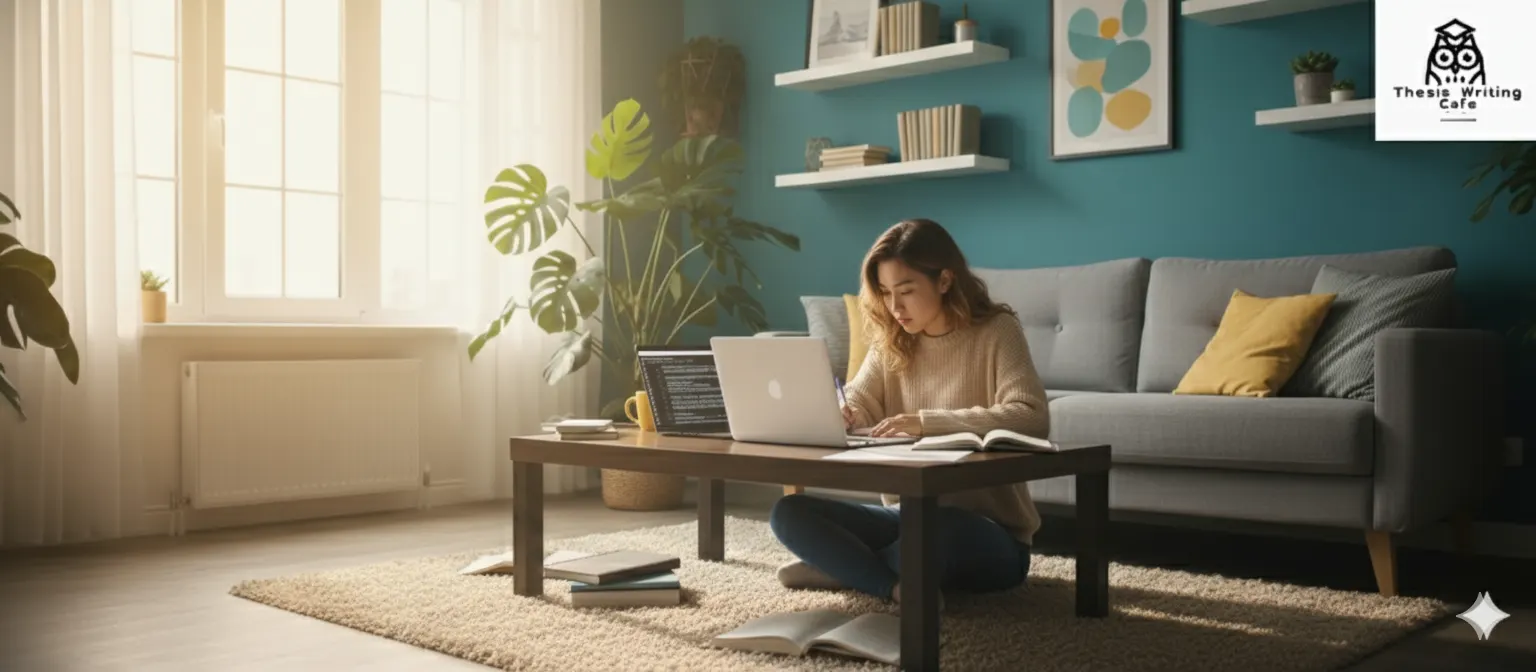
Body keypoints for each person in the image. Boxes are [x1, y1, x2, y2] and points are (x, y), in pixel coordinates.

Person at [768, 218, 1051, 605]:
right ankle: (891, 583)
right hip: (908, 518)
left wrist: (926, 422)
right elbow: (859, 399)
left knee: (937, 530)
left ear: (946, 280)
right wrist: (842, 412)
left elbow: (1030, 414)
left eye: (906, 291)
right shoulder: (892, 342)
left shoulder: (997, 330)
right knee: (789, 512)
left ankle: (846, 570)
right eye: (885, 292)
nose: (894, 307)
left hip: (992, 536)